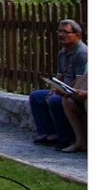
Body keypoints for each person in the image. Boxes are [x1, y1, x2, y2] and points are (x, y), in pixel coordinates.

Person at [30, 19, 88, 149]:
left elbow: (80, 81)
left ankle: (65, 138)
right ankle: (47, 133)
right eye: (59, 31)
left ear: (77, 35)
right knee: (37, 96)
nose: (61, 35)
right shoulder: (63, 52)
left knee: (56, 100)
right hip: (62, 89)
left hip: (75, 92)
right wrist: (52, 88)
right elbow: (60, 75)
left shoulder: (82, 53)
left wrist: (63, 91)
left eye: (66, 32)